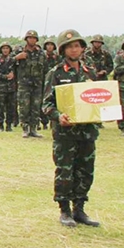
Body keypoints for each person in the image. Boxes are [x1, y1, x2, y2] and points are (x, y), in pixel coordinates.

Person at [42, 29, 101, 228]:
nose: (74, 50)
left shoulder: (89, 72)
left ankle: (80, 209)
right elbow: (47, 104)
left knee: (85, 171)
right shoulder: (56, 73)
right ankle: (65, 210)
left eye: (77, 46)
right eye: (70, 46)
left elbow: (97, 98)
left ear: (83, 48)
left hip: (87, 131)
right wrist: (59, 116)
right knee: (65, 171)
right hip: (65, 133)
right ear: (63, 50)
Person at [14, 30, 46, 139]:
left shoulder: (41, 53)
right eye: (29, 38)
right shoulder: (19, 51)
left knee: (36, 107)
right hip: (24, 84)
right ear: (26, 39)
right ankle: (25, 129)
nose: (32, 40)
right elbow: (8, 63)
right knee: (24, 107)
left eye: (34, 38)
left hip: (37, 84)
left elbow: (45, 68)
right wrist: (16, 58)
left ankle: (34, 129)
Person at [0, 42, 17, 132]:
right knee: (0, 107)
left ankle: (9, 125)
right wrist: (6, 76)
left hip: (11, 88)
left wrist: (14, 75)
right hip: (0, 88)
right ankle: (0, 125)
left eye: (7, 48)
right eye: (3, 48)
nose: (5, 50)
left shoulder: (13, 61)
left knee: (11, 107)